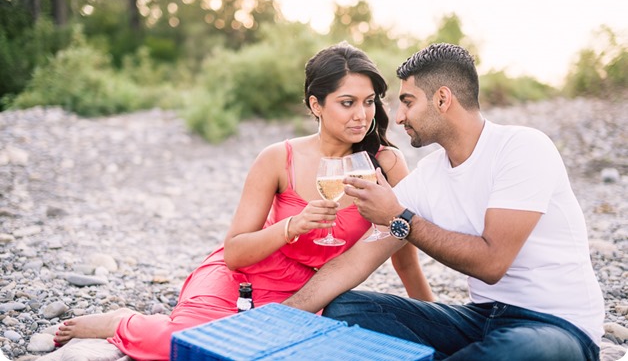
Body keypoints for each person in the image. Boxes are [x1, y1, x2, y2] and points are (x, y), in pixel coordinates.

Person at [52, 42, 433, 360]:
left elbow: (403, 248)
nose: (362, 115)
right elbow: (235, 251)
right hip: (243, 277)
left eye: (369, 102)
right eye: (347, 102)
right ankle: (123, 321)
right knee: (194, 345)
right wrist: (292, 226)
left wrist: (437, 326)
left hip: (310, 292)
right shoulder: (276, 158)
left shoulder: (384, 164)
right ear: (316, 104)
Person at [283, 43, 605, 361]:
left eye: (407, 102)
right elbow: (356, 261)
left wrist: (399, 217)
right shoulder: (429, 175)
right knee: (347, 308)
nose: (398, 117)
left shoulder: (522, 148)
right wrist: (284, 315)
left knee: (518, 350)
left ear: (442, 99)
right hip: (481, 320)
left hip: (556, 327)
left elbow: (491, 264)